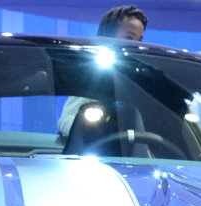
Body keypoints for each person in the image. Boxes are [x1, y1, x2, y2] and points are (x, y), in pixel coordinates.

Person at [58, 6, 148, 137]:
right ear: (108, 37)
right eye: (129, 38)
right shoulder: (95, 74)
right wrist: (92, 134)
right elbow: (66, 120)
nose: (135, 46)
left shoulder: (141, 78)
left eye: (139, 41)